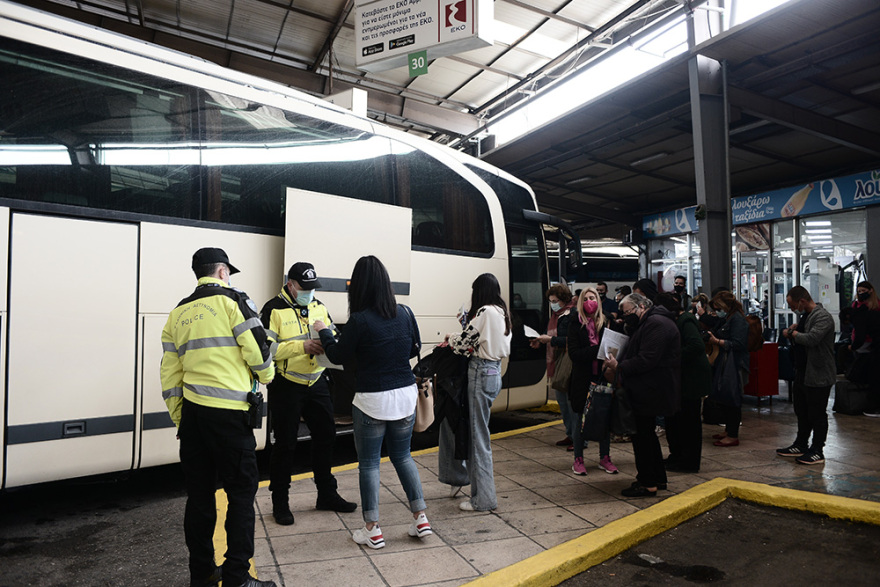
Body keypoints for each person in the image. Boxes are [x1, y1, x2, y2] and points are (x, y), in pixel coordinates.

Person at [160, 248, 276, 587]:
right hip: (230, 418)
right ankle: (238, 577)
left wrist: (181, 417)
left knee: (199, 498)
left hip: (193, 420)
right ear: (223, 272)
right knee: (240, 495)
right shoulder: (234, 302)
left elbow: (170, 376)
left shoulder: (177, 314)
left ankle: (203, 575)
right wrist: (266, 375)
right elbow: (258, 350)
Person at [314, 256, 430, 549]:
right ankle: (421, 519)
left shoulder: (360, 320)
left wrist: (324, 331)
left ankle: (373, 530)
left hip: (371, 400)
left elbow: (338, 355)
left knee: (369, 464)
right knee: (403, 457)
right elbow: (414, 347)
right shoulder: (405, 312)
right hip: (405, 395)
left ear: (359, 287)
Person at [258, 262, 356, 526]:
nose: (309, 293)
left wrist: (328, 341)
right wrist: (301, 347)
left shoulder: (318, 306)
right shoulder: (272, 309)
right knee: (285, 445)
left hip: (316, 382)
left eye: (313, 288)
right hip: (286, 384)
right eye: (304, 288)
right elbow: (265, 349)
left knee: (326, 436)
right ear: (290, 285)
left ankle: (326, 494)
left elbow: (333, 335)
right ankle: (280, 502)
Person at [439, 273, 513, 511]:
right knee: (478, 435)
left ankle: (483, 499)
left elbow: (463, 344)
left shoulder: (484, 312)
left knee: (478, 438)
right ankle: (480, 493)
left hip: (480, 373)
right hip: (494, 372)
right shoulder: (502, 312)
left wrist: (451, 337)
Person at [603, 293, 680, 497]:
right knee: (647, 435)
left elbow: (647, 359)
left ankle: (647, 483)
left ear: (641, 307)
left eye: (628, 312)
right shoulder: (654, 321)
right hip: (651, 387)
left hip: (650, 389)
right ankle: (657, 478)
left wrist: (619, 365)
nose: (627, 316)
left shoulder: (656, 323)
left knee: (642, 437)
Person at [776, 286, 836, 464]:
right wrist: (795, 331)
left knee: (817, 413)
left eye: (793, 304)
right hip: (803, 372)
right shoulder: (805, 316)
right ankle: (801, 443)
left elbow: (812, 339)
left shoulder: (823, 317)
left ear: (802, 301)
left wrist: (792, 333)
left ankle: (817, 449)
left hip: (819, 373)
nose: (793, 309)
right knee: (802, 411)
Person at [655, 294, 710, 473]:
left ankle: (689, 461)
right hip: (681, 380)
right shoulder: (679, 321)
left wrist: (672, 355)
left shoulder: (686, 321)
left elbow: (696, 346)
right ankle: (677, 456)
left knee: (689, 423)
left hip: (691, 381)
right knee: (676, 422)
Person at [567, 287, 618, 476]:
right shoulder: (574, 323)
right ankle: (578, 459)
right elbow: (574, 354)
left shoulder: (606, 322)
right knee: (579, 420)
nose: (590, 301)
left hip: (603, 377)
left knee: (604, 417)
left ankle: (605, 457)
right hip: (582, 379)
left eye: (593, 298)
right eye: (586, 298)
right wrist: (597, 350)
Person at [531, 283, 576, 449]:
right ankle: (570, 434)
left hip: (568, 361)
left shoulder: (572, 314)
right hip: (558, 360)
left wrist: (550, 341)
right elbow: (550, 334)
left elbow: (572, 340)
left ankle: (579, 438)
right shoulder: (556, 316)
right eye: (550, 301)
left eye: (555, 300)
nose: (552, 304)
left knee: (571, 403)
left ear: (564, 300)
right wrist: (540, 341)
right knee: (563, 403)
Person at [705, 291, 749, 447]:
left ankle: (733, 434)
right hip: (725, 363)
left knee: (733, 398)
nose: (717, 311)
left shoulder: (737, 320)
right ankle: (728, 430)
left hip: (734, 364)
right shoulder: (727, 318)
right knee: (725, 397)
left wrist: (717, 341)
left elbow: (739, 344)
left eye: (718, 307)